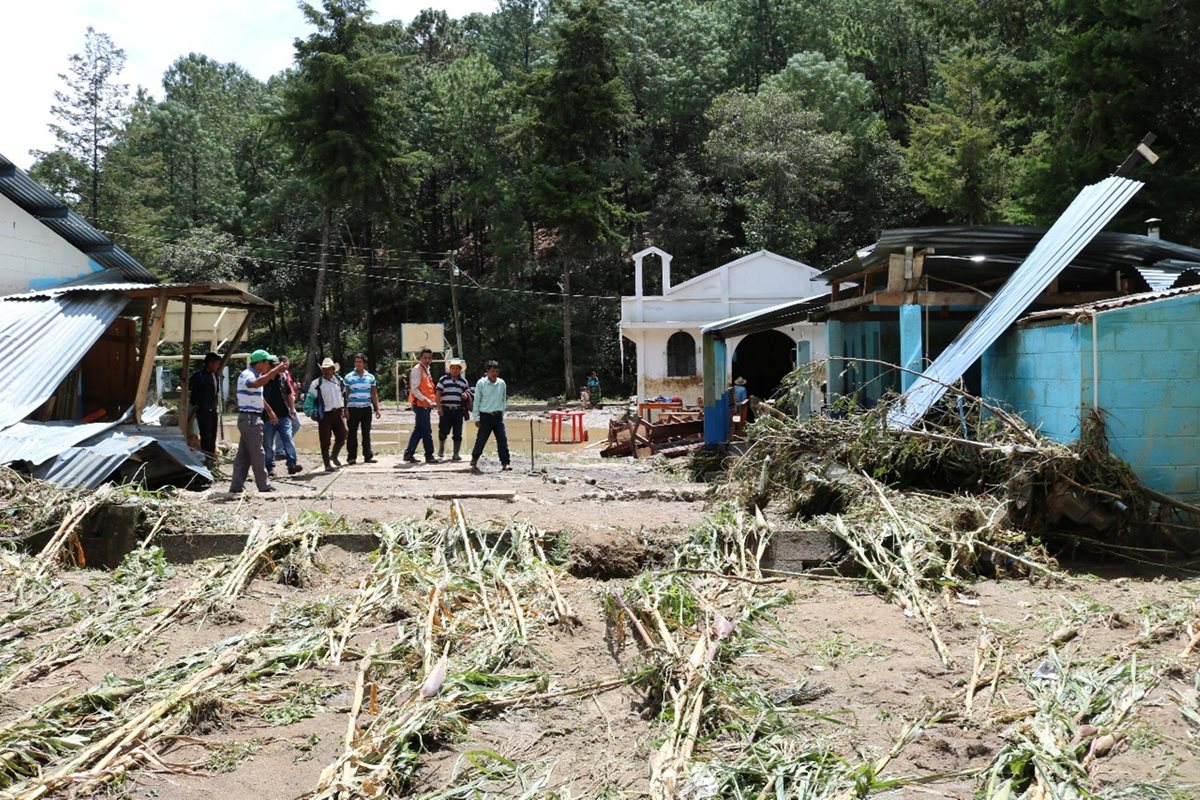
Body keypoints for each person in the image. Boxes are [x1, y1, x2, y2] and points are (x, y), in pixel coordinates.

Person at [229, 349, 288, 494]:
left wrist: (269, 410)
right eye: (267, 363)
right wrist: (275, 371)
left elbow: (258, 396)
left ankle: (236, 486)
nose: (269, 365)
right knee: (258, 453)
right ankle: (264, 485)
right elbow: (254, 384)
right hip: (250, 419)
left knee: (244, 455)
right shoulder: (248, 375)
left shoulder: (256, 375)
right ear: (260, 363)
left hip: (250, 418)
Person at [262, 356, 302, 476]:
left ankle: (292, 465)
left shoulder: (282, 378)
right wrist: (269, 412)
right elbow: (259, 398)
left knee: (288, 440)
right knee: (268, 444)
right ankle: (270, 468)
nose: (277, 368)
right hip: (268, 418)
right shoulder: (263, 380)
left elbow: (289, 394)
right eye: (274, 366)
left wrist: (292, 409)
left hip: (284, 415)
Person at [308, 357, 348, 472]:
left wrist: (345, 409)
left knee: (343, 434)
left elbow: (344, 395)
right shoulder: (317, 383)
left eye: (328, 369)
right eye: (324, 369)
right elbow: (310, 398)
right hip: (325, 414)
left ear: (333, 369)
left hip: (338, 413)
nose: (326, 371)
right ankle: (327, 463)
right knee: (325, 440)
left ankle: (334, 455)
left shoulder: (339, 381)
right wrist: (311, 412)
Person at [470, 360, 510, 472]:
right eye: (492, 371)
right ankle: (474, 459)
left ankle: (505, 463)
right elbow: (476, 401)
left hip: (498, 416)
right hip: (485, 416)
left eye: (497, 371)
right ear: (487, 371)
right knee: (481, 439)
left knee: (502, 440)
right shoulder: (481, 383)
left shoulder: (501, 383)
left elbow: (503, 399)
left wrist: (502, 411)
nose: (494, 374)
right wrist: (476, 418)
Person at [344, 353, 381, 465]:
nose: (358, 364)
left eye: (360, 362)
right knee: (352, 433)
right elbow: (345, 395)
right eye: (356, 362)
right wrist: (345, 409)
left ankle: (368, 456)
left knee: (366, 432)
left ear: (364, 363)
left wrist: (377, 409)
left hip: (366, 408)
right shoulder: (349, 377)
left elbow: (374, 394)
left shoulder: (370, 377)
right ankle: (351, 457)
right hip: (353, 408)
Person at [403, 348, 437, 464]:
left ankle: (408, 454)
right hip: (420, 405)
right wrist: (426, 400)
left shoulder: (426, 369)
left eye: (429, 358)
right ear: (420, 358)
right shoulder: (417, 370)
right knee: (426, 431)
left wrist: (431, 401)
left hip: (425, 405)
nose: (427, 360)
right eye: (425, 358)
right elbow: (415, 389)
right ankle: (429, 455)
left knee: (419, 430)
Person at [188, 352, 222, 463]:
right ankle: (206, 457)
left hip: (213, 409)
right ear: (210, 363)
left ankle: (211, 456)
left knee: (212, 434)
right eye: (216, 364)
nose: (218, 366)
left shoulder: (215, 375)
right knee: (206, 434)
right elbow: (193, 391)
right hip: (203, 410)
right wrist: (198, 404)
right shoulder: (199, 376)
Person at [436, 358, 471, 461]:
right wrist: (439, 407)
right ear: (450, 369)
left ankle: (456, 454)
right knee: (443, 431)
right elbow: (437, 394)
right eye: (453, 368)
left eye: (457, 368)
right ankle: (441, 449)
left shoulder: (463, 381)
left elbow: (467, 393)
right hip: (445, 410)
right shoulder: (443, 379)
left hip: (458, 410)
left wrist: (465, 395)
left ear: (460, 370)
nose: (455, 370)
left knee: (457, 433)